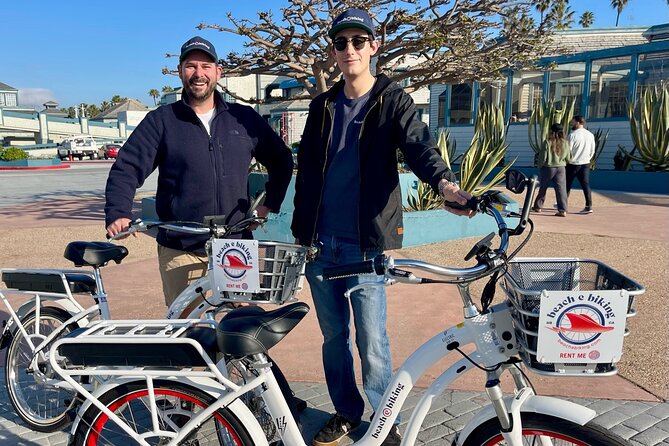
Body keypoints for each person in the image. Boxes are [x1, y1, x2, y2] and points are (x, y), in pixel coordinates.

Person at [291, 8, 473, 446]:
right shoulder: (321, 107)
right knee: (334, 337)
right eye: (341, 43)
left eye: (358, 41)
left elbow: (419, 146)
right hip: (321, 244)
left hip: (366, 244)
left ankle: (382, 418)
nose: (349, 49)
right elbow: (309, 173)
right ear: (334, 52)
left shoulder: (393, 100)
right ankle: (347, 411)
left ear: (374, 46)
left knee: (373, 339)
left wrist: (446, 185)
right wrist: (301, 233)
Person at [105, 36, 294, 306]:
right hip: (181, 248)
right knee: (186, 332)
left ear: (218, 72)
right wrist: (118, 211)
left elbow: (281, 160)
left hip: (235, 245)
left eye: (206, 66)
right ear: (180, 71)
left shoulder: (244, 118)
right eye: (191, 66)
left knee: (240, 331)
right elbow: (126, 168)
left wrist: (269, 204)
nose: (199, 73)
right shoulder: (161, 121)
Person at [532, 123, 571, 217]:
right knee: (561, 189)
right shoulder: (565, 142)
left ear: (551, 131)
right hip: (561, 167)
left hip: (548, 167)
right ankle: (562, 210)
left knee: (543, 187)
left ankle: (538, 206)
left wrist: (540, 165)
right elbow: (568, 157)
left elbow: (543, 157)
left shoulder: (547, 142)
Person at [566, 115, 596, 214]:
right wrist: (587, 158)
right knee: (585, 184)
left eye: (573, 121)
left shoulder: (572, 135)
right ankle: (589, 205)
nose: (571, 123)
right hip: (585, 163)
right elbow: (592, 151)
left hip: (573, 163)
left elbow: (568, 150)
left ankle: (563, 204)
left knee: (567, 185)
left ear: (578, 122)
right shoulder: (590, 135)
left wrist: (567, 160)